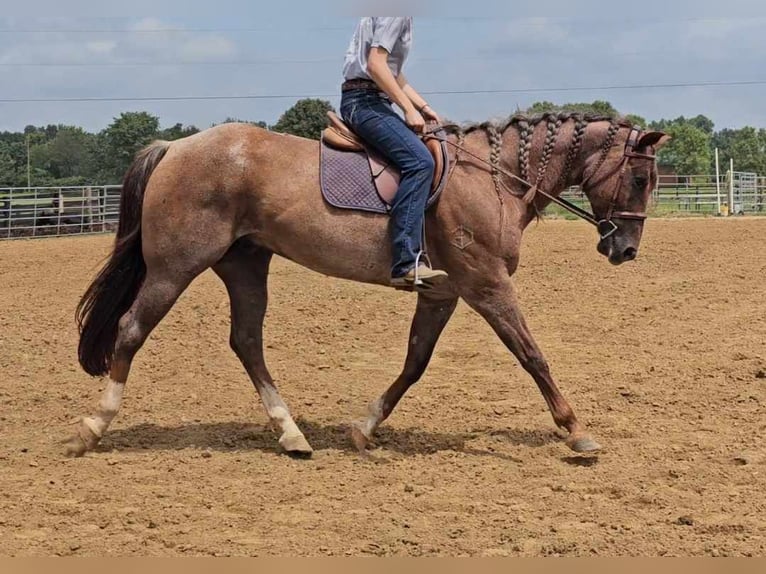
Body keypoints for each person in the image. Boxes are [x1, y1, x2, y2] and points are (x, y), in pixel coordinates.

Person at [339, 17, 449, 289]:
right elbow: (376, 64)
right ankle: (405, 262)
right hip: (365, 102)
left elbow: (393, 72)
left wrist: (422, 106)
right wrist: (407, 109)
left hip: (368, 98)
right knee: (420, 162)